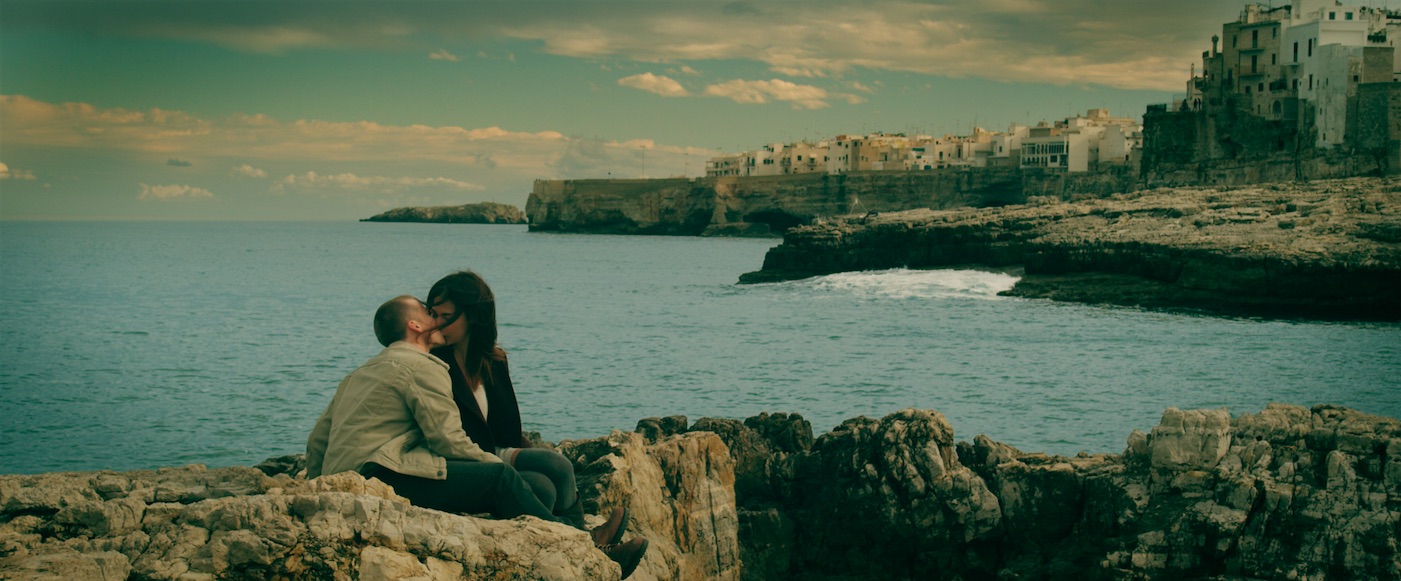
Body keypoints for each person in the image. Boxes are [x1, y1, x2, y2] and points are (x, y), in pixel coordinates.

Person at [305, 295, 647, 577]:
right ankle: (590, 551)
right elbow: (448, 441)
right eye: (428, 312)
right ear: (415, 325)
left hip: (353, 480)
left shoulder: (358, 373)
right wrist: (499, 469)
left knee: (535, 485)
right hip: (384, 477)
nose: (436, 318)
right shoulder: (421, 367)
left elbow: (318, 441)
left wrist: (323, 490)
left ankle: (586, 537)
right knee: (500, 479)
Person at [426, 272, 609, 537]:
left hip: (494, 450)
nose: (435, 324)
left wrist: (524, 455)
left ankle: (581, 539)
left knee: (551, 476)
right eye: (433, 314)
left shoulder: (493, 361)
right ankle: (586, 540)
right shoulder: (434, 363)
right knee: (548, 479)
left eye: (445, 316)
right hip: (466, 457)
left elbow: (506, 424)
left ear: (473, 316)